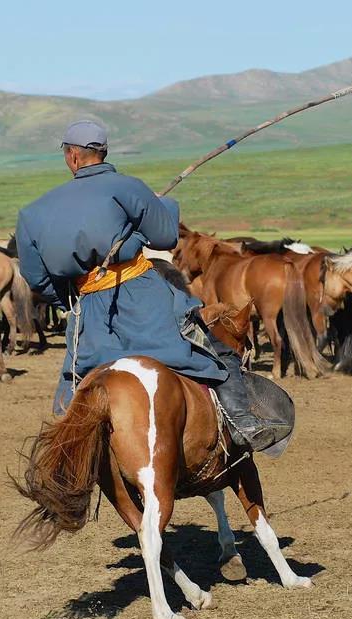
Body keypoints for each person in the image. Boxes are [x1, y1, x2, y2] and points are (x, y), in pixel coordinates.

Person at [15, 120, 288, 452]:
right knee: (214, 351)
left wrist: (72, 303)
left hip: (87, 314)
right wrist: (161, 208)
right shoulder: (129, 187)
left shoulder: (31, 214)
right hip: (145, 299)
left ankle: (61, 457)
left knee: (72, 392)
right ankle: (243, 423)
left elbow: (38, 278)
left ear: (72, 157)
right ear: (103, 153)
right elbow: (165, 237)